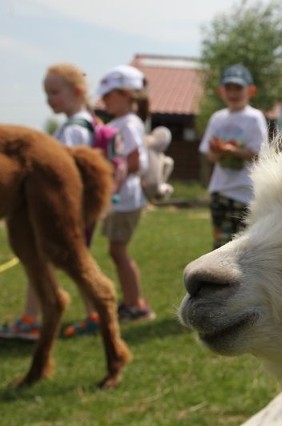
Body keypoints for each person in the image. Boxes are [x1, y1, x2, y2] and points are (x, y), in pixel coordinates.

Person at [0, 63, 102, 340]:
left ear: (77, 92)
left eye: (54, 92)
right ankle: (90, 311)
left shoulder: (74, 128)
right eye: (47, 93)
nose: (49, 99)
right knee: (65, 258)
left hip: (63, 199)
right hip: (67, 198)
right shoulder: (79, 124)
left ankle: (34, 317)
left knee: (58, 255)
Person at [97, 64, 155, 322]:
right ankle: (131, 302)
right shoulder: (120, 122)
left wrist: (111, 174)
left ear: (126, 95)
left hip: (125, 198)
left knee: (118, 251)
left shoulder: (128, 124)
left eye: (109, 95)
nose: (104, 99)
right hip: (119, 197)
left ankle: (137, 305)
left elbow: (135, 161)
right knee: (116, 250)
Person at [199, 64, 269, 250]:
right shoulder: (217, 118)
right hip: (220, 190)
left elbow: (260, 155)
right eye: (228, 88)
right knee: (220, 244)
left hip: (245, 192)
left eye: (238, 88)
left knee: (243, 246)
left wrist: (233, 151)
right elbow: (209, 155)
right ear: (221, 91)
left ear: (250, 90)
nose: (233, 93)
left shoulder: (254, 118)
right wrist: (217, 151)